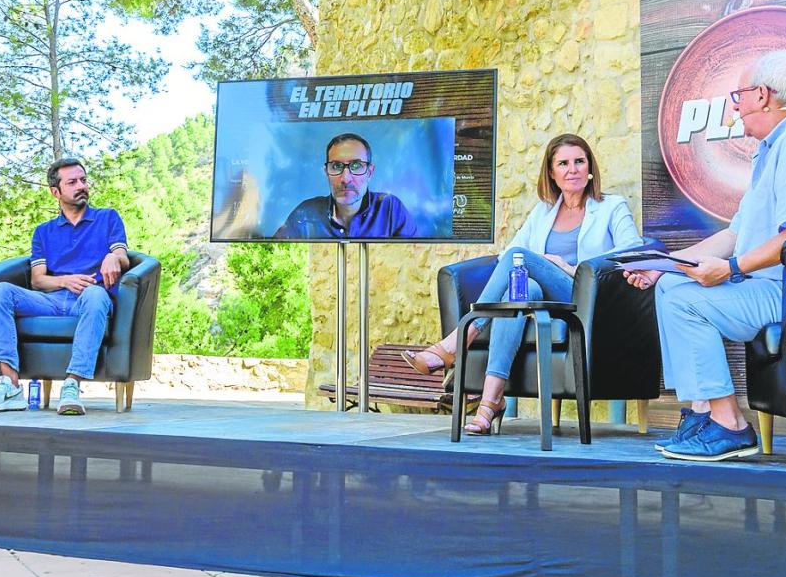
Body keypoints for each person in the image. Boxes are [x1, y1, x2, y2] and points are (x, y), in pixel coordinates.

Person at [625, 50, 786, 462]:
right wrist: (664, 266)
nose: (735, 107)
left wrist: (732, 269)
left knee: (684, 302)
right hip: (778, 286)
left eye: (738, 96)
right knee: (670, 287)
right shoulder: (774, 148)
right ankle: (703, 412)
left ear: (763, 95)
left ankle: (729, 425)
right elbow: (734, 235)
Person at [403, 133, 643, 435]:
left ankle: (458, 339)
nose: (573, 169)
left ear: (590, 168)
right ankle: (490, 402)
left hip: (585, 297)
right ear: (551, 173)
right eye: (563, 163)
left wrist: (569, 267)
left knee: (520, 258)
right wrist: (536, 266)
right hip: (546, 300)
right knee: (521, 291)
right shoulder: (544, 212)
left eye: (579, 161)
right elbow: (508, 255)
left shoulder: (611, 207)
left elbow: (633, 251)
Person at [0, 158, 129, 415]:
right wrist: (64, 280)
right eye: (72, 182)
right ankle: (9, 385)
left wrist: (113, 257)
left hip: (89, 298)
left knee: (95, 295)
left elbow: (123, 257)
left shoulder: (107, 218)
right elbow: (37, 280)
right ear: (55, 192)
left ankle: (72, 385)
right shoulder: (43, 232)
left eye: (83, 180)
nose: (81, 186)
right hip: (51, 300)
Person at [274, 133, 418, 239]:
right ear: (326, 172)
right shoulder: (305, 213)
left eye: (356, 166)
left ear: (370, 172)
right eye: (336, 166)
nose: (345, 179)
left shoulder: (391, 209)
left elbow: (416, 261)